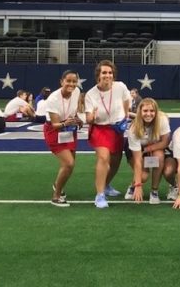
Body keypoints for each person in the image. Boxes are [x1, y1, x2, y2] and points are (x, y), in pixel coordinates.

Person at [85, 60, 131, 209]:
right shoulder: (91, 94)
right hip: (100, 129)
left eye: (110, 72)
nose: (107, 75)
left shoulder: (121, 86)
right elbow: (88, 118)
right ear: (98, 74)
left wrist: (124, 117)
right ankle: (99, 195)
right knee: (104, 158)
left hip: (117, 129)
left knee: (116, 161)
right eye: (104, 72)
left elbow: (126, 102)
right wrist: (91, 116)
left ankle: (105, 185)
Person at [44, 70, 83, 207]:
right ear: (61, 81)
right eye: (68, 81)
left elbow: (74, 109)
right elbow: (55, 124)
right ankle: (56, 195)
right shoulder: (53, 99)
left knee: (70, 165)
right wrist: (65, 123)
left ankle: (57, 185)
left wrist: (77, 119)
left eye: (74, 81)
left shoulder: (77, 91)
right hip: (55, 130)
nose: (71, 84)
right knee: (69, 163)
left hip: (69, 129)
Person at [123, 98, 171, 205]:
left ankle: (154, 191)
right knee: (143, 175)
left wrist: (147, 149)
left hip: (154, 146)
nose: (148, 114)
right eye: (145, 111)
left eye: (152, 111)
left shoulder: (162, 119)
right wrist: (138, 185)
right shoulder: (133, 129)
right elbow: (137, 160)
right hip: (136, 149)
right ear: (140, 112)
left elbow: (164, 143)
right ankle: (133, 186)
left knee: (159, 157)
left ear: (156, 111)